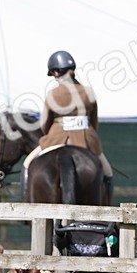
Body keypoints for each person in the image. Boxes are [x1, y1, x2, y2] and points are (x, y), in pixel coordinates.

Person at [39, 50, 114, 204]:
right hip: (86, 141)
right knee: (108, 173)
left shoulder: (52, 94)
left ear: (55, 72)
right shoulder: (89, 92)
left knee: (27, 166)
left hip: (56, 140)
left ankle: (28, 209)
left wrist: (50, 135)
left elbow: (44, 124)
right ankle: (108, 212)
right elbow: (94, 121)